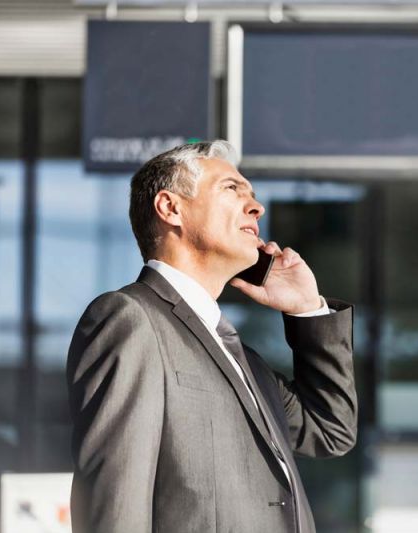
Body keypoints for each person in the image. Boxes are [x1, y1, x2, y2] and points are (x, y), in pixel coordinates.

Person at [66, 140, 357, 533]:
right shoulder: (131, 319)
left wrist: (307, 309)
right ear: (171, 208)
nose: (257, 207)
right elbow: (116, 501)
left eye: (252, 195)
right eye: (232, 189)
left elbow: (330, 430)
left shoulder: (241, 357)